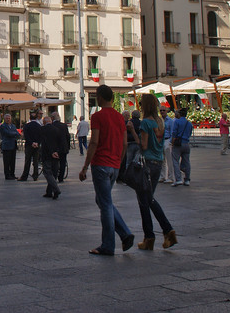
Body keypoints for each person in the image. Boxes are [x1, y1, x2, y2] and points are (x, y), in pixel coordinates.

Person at [79, 85, 134, 256]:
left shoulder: (97, 116)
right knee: (104, 201)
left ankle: (109, 245)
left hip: (101, 164)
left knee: (104, 205)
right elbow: (124, 143)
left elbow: (94, 142)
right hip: (114, 165)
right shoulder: (120, 117)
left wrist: (85, 166)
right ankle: (125, 234)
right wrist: (119, 161)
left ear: (101, 98)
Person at [135, 94, 177, 250]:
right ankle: (163, 233)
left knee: (144, 200)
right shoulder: (160, 121)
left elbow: (144, 145)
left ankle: (152, 236)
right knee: (147, 199)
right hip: (158, 162)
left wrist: (133, 132)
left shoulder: (145, 123)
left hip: (147, 163)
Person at [40, 116, 65, 200]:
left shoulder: (43, 130)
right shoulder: (57, 129)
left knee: (47, 172)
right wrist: (57, 152)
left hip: (47, 154)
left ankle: (56, 189)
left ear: (44, 122)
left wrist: (51, 152)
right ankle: (49, 192)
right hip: (56, 155)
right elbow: (61, 142)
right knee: (54, 173)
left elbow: (46, 143)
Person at [171, 108, 193, 187]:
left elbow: (174, 133)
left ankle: (178, 179)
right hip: (186, 143)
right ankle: (187, 179)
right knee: (187, 161)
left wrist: (172, 143)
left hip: (178, 143)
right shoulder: (189, 123)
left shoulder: (177, 122)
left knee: (175, 161)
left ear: (180, 114)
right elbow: (190, 133)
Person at [17, 110, 41, 181]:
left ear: (30, 118)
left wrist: (31, 143)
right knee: (36, 161)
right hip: (36, 146)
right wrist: (37, 143)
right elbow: (41, 136)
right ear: (36, 118)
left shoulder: (26, 126)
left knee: (27, 161)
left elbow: (26, 136)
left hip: (29, 145)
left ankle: (25, 176)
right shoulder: (39, 126)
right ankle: (35, 175)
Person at [51, 112, 70, 182]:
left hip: (55, 148)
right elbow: (68, 136)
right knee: (63, 163)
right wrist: (67, 146)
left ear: (52, 118)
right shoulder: (64, 125)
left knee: (54, 163)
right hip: (63, 147)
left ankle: (54, 176)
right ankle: (61, 177)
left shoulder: (52, 125)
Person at [0, 114, 19, 180]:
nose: (8, 119)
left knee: (13, 161)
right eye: (7, 118)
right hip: (6, 146)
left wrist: (13, 133)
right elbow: (7, 133)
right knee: (7, 162)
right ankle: (7, 175)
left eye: (9, 118)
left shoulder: (13, 126)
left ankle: (12, 174)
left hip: (13, 145)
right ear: (4, 119)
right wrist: (13, 133)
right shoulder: (2, 126)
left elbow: (17, 133)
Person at [160, 107, 175, 183]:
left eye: (163, 110)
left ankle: (170, 177)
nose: (162, 112)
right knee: (161, 160)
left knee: (169, 160)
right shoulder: (159, 120)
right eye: (161, 110)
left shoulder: (170, 121)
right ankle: (162, 176)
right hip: (161, 141)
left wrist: (170, 141)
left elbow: (172, 131)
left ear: (166, 111)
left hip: (167, 139)